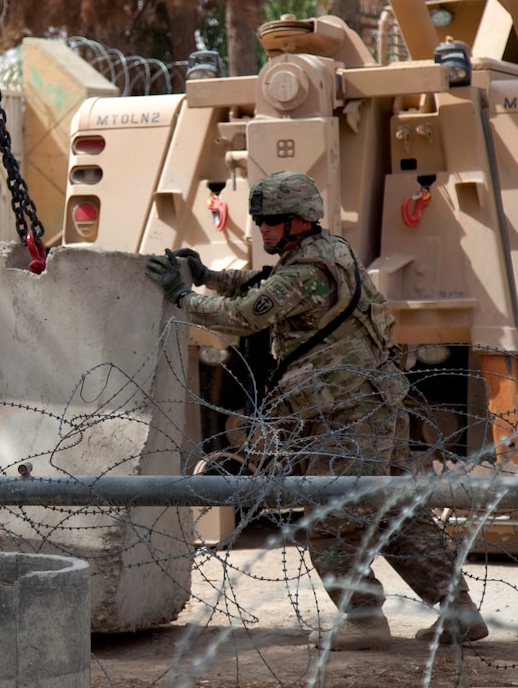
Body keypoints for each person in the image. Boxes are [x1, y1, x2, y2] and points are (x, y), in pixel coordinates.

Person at [145, 170, 488, 650]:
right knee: (393, 511)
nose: (263, 229)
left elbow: (247, 315)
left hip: (347, 412)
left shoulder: (308, 271)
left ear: (300, 221)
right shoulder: (326, 252)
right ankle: (459, 610)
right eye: (259, 220)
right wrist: (207, 276)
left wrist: (183, 296)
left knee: (330, 516)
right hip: (370, 403)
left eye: (274, 221)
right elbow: (260, 283)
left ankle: (364, 619)